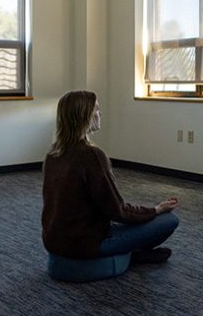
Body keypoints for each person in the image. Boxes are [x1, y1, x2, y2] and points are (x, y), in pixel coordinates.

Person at [42, 90, 179, 266]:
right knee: (170, 220)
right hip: (85, 244)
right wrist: (156, 210)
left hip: (54, 241)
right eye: (96, 110)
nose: (100, 114)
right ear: (85, 116)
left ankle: (131, 254)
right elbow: (118, 211)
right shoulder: (91, 155)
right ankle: (132, 256)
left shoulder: (53, 154)